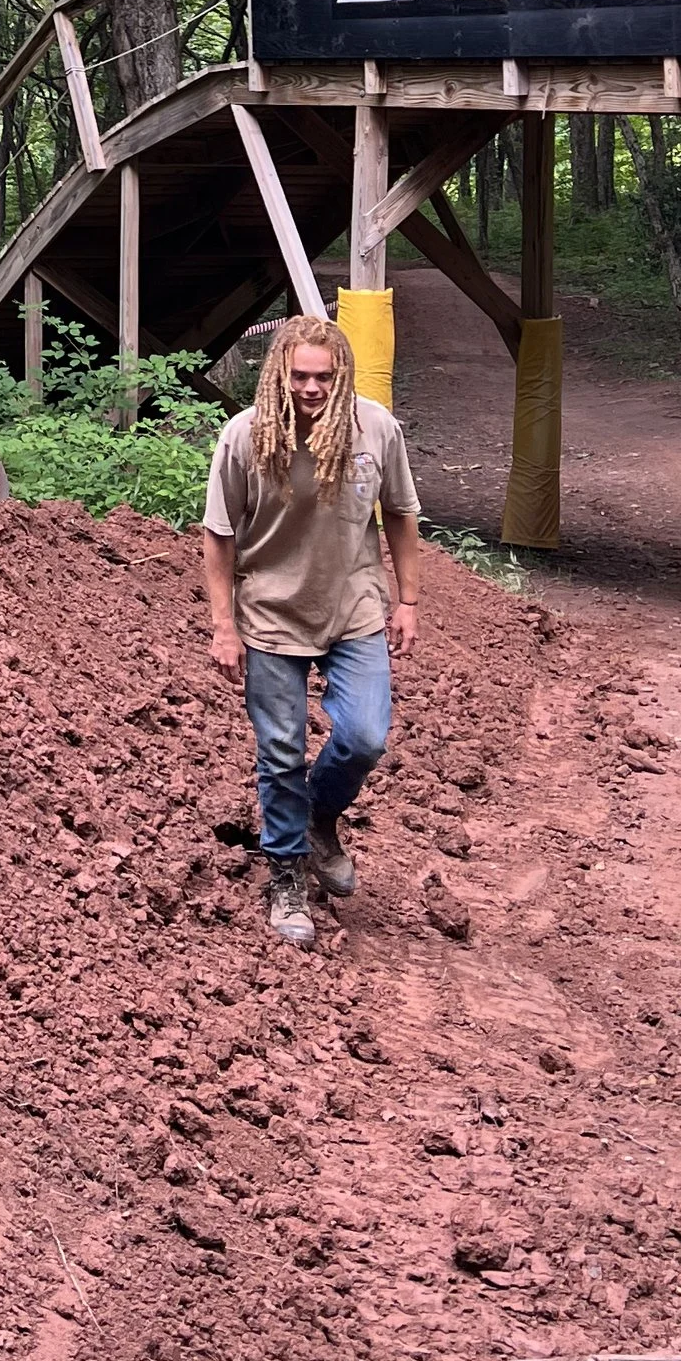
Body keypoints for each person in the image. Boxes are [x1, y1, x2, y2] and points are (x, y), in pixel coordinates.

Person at [201, 312, 422, 951]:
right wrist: (223, 627)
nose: (310, 388)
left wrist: (407, 600)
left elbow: (402, 515)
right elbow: (218, 536)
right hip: (270, 615)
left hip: (353, 608)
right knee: (279, 753)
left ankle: (319, 818)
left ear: (341, 375)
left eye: (323, 377)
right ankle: (287, 872)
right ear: (279, 373)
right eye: (298, 375)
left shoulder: (374, 429)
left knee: (363, 736)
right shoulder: (246, 437)